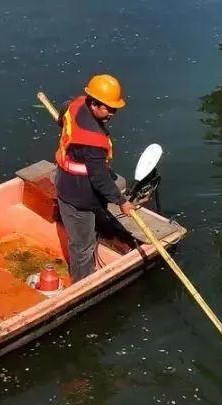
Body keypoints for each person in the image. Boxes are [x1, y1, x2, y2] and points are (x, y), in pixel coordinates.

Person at [54, 73, 137, 282]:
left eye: (114, 108)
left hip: (64, 180)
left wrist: (61, 122)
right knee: (83, 245)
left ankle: (100, 218)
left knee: (118, 182)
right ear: (93, 104)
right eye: (107, 108)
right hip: (77, 198)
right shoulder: (93, 142)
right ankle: (82, 283)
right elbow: (99, 179)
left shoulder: (76, 104)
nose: (112, 113)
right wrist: (122, 202)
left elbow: (63, 110)